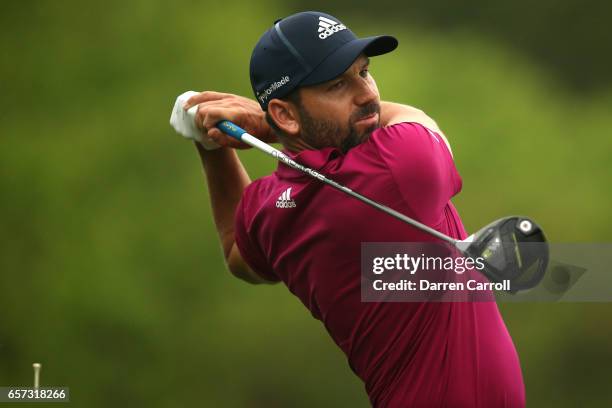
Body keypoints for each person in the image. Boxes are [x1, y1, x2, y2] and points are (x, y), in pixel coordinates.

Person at [183, 11, 525, 407]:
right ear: (285, 113)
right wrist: (266, 126)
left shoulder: (270, 208)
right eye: (336, 85)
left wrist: (209, 147)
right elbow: (414, 118)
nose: (366, 94)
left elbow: (236, 254)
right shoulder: (398, 166)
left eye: (364, 72)